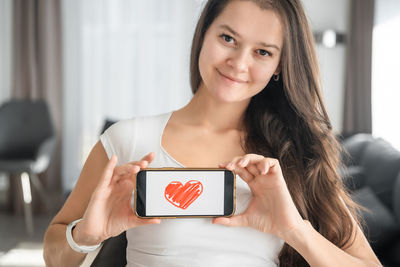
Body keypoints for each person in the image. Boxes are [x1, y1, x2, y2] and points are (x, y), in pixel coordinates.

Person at [43, 0, 382, 266]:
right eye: (228, 38)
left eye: (262, 51)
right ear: (203, 34)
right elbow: (54, 255)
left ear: (280, 65)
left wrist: (292, 230)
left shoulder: (298, 154)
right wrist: (87, 235)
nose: (238, 62)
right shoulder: (127, 139)